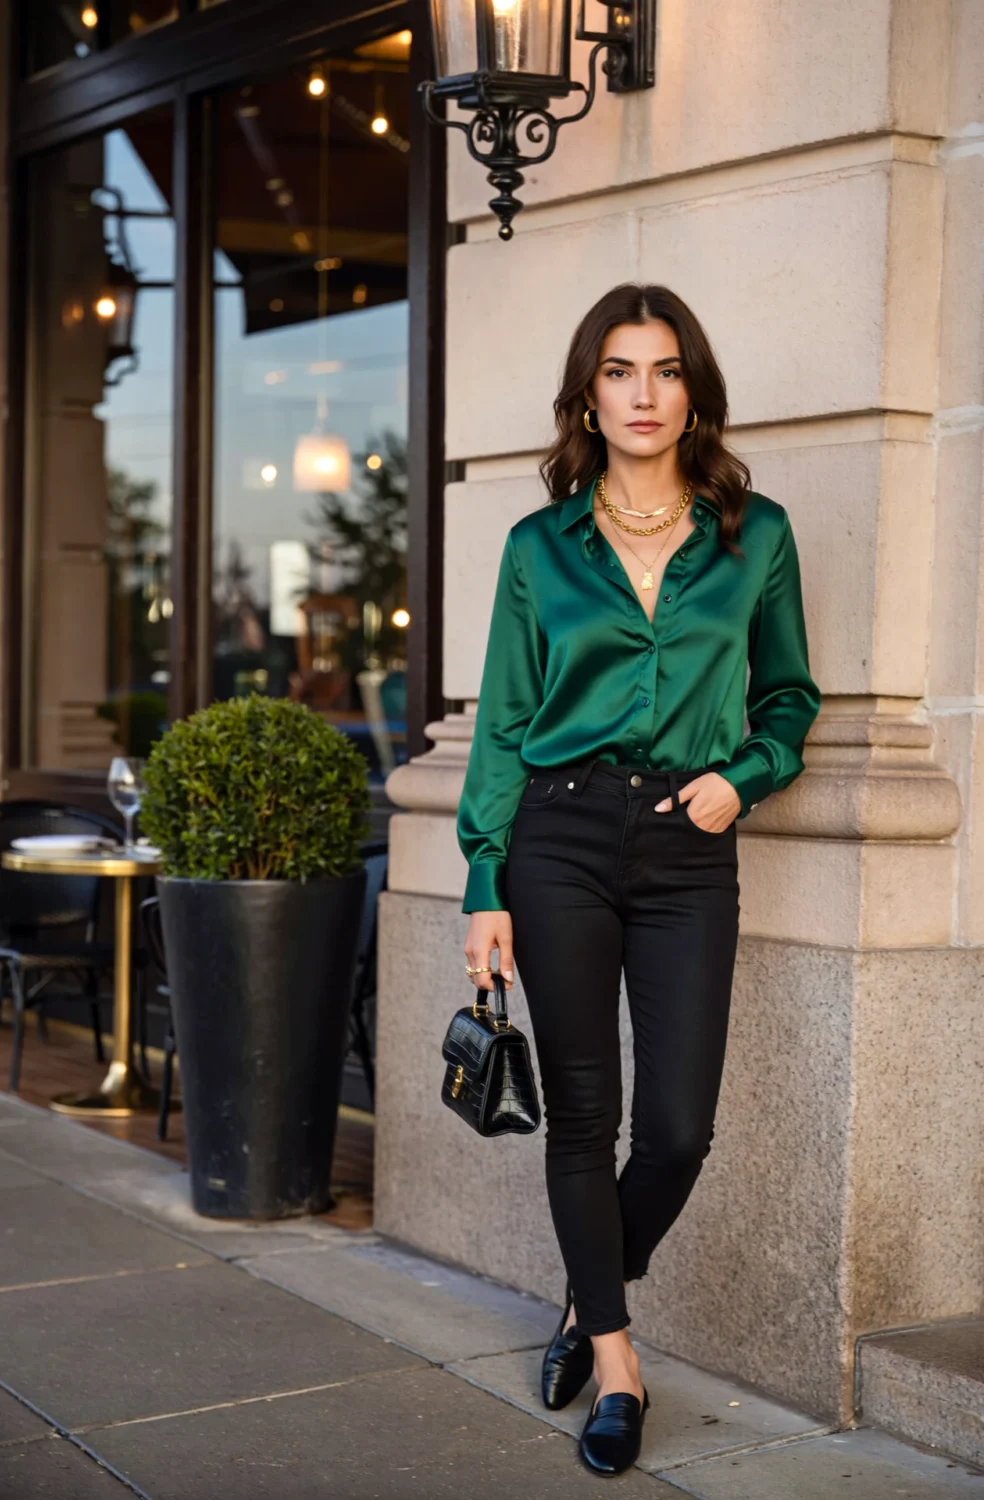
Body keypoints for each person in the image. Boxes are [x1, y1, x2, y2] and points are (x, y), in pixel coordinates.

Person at [455, 283, 821, 1478]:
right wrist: (481, 881)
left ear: (693, 391)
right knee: (584, 1115)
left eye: (665, 370)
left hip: (686, 843)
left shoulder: (751, 535)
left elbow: (788, 697)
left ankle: (580, 1294)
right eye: (620, 371)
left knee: (675, 1129)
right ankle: (616, 1359)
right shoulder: (537, 546)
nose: (645, 394)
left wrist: (747, 776)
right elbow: (505, 724)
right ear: (588, 394)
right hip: (556, 838)